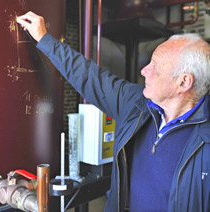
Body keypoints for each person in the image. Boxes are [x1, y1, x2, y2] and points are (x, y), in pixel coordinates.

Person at [17, 11, 210, 212]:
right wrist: (45, 39)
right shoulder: (136, 104)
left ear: (184, 82)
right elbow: (90, 77)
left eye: (156, 67)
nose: (144, 70)